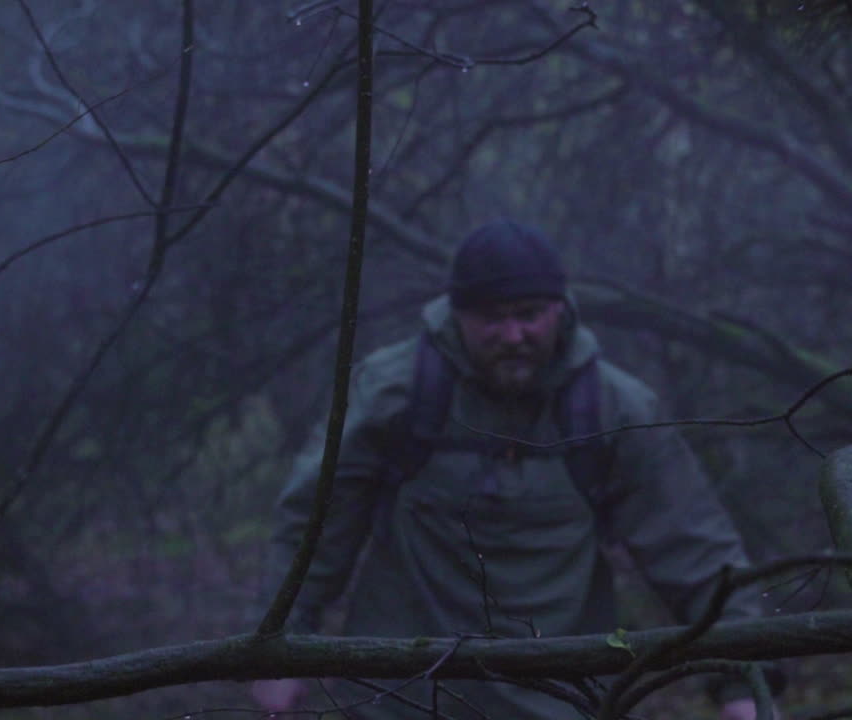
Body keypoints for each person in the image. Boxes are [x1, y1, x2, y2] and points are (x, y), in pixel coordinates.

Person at [255, 220, 770, 719]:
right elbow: (314, 528)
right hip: (400, 697)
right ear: (455, 315)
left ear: (561, 310)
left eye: (529, 314)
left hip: (563, 698)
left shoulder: (615, 411)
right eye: (491, 318)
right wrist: (278, 648)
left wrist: (744, 682)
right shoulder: (394, 394)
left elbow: (695, 551)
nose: (513, 334)